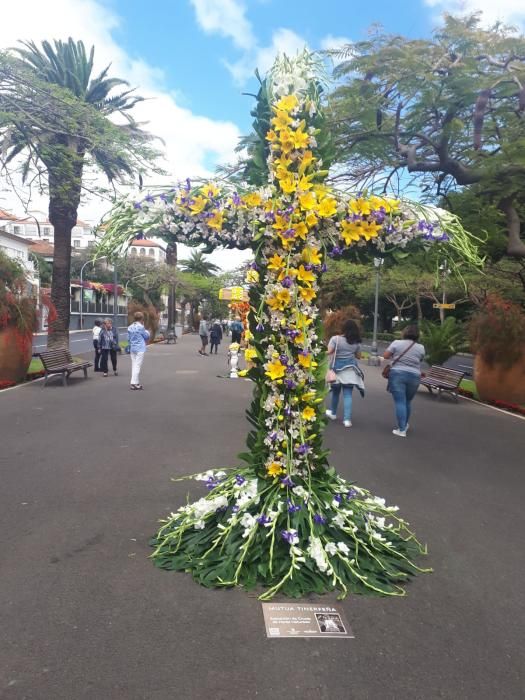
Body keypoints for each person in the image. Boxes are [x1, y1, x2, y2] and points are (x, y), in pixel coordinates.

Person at [383, 325, 426, 437]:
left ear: (404, 333)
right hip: (415, 376)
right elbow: (420, 359)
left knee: (400, 402)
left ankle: (401, 430)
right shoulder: (421, 347)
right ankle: (405, 424)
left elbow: (386, 356)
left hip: (398, 374)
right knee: (407, 401)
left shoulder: (396, 343)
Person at [325, 319, 365, 428]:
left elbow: (329, 351)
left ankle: (333, 413)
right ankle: (347, 420)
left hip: (336, 371)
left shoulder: (335, 339)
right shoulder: (356, 343)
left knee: (335, 393)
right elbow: (358, 356)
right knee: (348, 395)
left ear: (344, 328)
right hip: (350, 372)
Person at [127, 311, 150, 390]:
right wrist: (147, 331)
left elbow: (128, 338)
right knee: (137, 366)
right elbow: (146, 336)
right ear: (142, 318)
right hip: (140, 348)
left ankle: (136, 383)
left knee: (134, 365)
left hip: (132, 348)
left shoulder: (130, 327)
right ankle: (133, 383)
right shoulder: (141, 327)